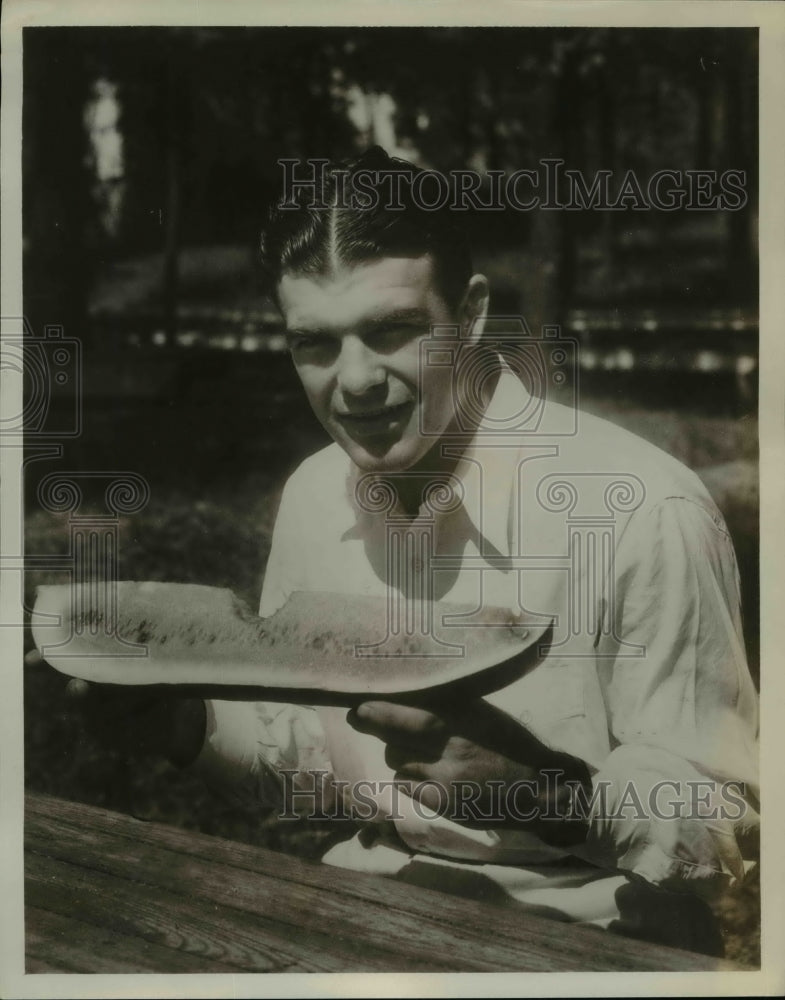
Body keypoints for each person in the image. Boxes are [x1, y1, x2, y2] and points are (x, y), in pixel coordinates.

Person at [57, 147, 759, 956]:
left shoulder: (641, 507)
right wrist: (181, 723)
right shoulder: (319, 492)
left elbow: (729, 831)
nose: (353, 381)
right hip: (365, 901)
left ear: (471, 313)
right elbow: (315, 764)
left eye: (391, 331)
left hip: (598, 935)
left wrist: (546, 798)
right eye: (313, 344)